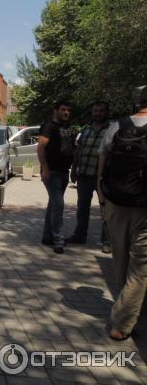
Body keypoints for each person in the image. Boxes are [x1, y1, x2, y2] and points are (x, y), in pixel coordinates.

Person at [98, 86, 147, 341]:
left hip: (116, 203)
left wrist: (102, 200)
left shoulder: (117, 126)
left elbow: (102, 164)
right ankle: (122, 324)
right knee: (140, 269)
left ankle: (127, 312)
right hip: (144, 209)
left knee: (120, 261)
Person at [67, 101, 111, 253]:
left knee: (105, 209)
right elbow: (78, 150)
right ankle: (80, 235)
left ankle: (107, 241)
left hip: (103, 178)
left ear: (106, 112)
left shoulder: (112, 129)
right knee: (82, 208)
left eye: (101, 111)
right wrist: (73, 169)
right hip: (84, 174)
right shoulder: (85, 129)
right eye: (95, 111)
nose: (98, 113)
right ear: (92, 112)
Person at [38, 101, 75, 254]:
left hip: (63, 171)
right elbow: (40, 148)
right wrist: (45, 169)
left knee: (53, 204)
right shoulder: (49, 126)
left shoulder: (66, 127)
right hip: (52, 172)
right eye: (63, 109)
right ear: (55, 111)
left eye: (68, 110)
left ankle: (47, 236)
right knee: (58, 206)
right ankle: (58, 241)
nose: (66, 112)